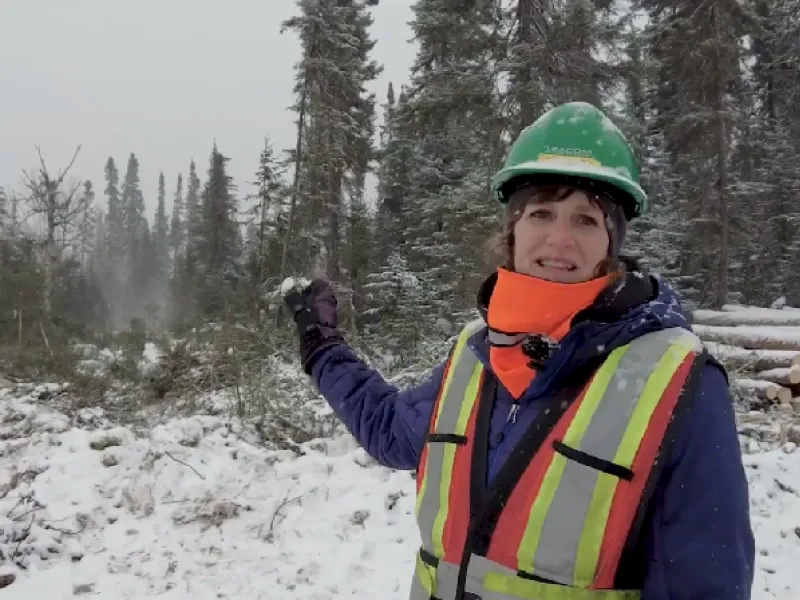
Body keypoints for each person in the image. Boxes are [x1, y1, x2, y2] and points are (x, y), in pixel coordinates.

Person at [283, 102, 755, 600]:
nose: (559, 239)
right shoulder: (475, 353)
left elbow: (706, 585)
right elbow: (388, 430)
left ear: (611, 241)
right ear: (513, 228)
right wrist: (321, 345)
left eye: (586, 220)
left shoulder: (681, 382)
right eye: (542, 213)